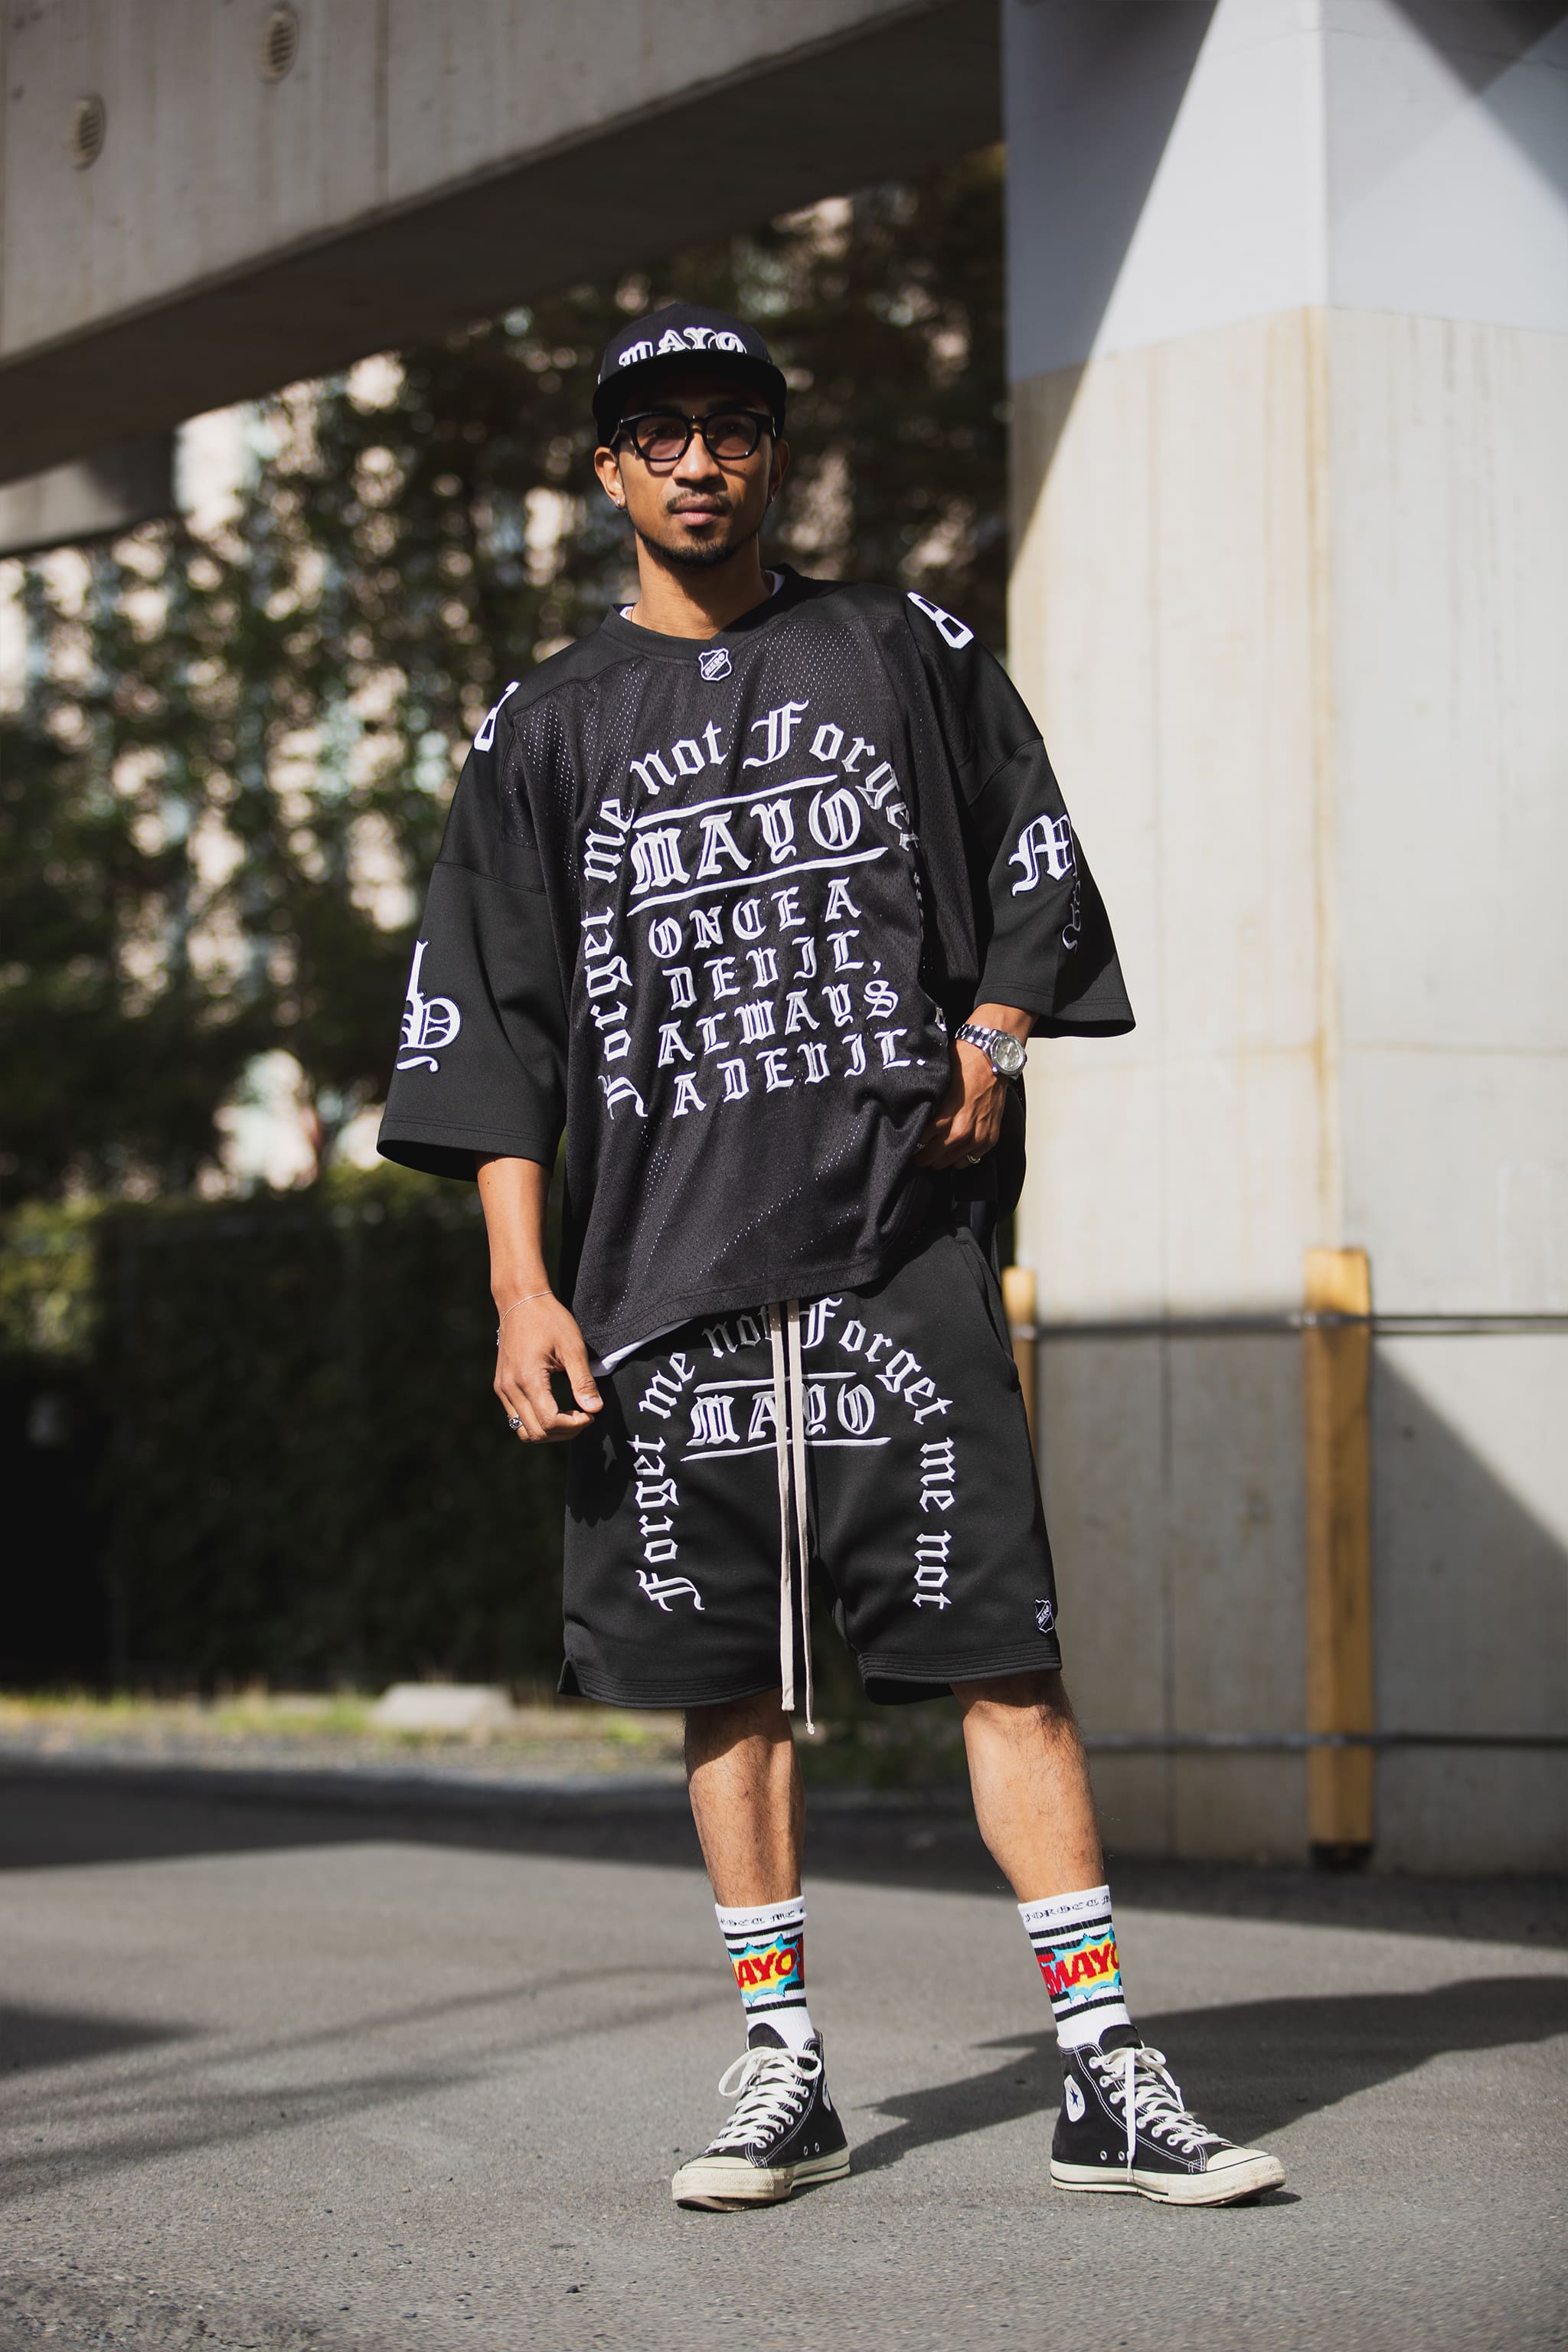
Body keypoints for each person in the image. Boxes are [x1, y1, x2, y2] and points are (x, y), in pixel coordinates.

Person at [378, 302, 1285, 2213]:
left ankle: (1102, 2074)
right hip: (658, 1272)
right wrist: (521, 1288)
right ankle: (782, 2070)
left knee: (1002, 1652)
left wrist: (995, 1034)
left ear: (775, 457)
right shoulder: (543, 726)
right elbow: (493, 1026)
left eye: (732, 427)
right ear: (607, 472)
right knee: (727, 1681)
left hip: (894, 1240)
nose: (698, 462)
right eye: (659, 434)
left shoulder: (896, 646)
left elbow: (1029, 851)